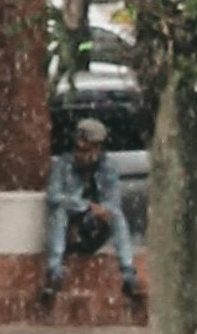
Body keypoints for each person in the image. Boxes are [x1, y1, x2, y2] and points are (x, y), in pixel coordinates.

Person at [45, 116, 147, 313]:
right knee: (59, 212)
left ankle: (128, 277)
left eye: (87, 150)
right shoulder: (63, 165)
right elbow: (53, 196)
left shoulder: (108, 167)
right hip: (70, 230)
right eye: (79, 149)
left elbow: (112, 202)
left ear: (97, 149)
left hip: (94, 229)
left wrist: (102, 211)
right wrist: (86, 206)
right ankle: (54, 273)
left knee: (116, 215)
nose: (81, 155)